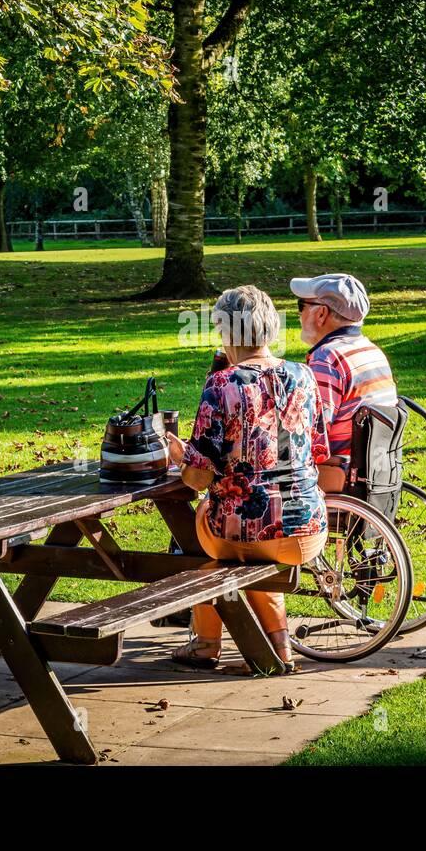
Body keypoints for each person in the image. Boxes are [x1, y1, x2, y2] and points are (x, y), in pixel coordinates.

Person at [165, 285, 329, 672]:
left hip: (247, 532)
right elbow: (317, 448)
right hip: (309, 528)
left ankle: (206, 643)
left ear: (224, 331)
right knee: (256, 545)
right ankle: (278, 646)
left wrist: (179, 454)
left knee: (207, 535)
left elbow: (199, 477)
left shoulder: (223, 384)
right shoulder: (304, 376)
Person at [291, 273, 397, 493]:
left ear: (321, 313)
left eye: (301, 306)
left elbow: (312, 435)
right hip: (375, 472)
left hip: (336, 477)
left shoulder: (327, 359)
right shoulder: (371, 350)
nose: (299, 315)